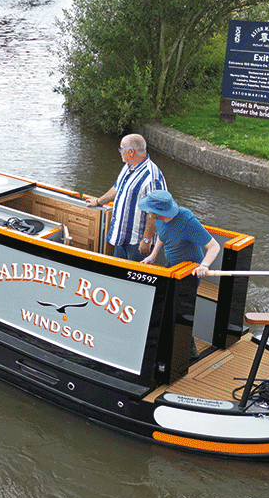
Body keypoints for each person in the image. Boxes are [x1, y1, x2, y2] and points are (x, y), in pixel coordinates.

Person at [138, 190, 221, 359]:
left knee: (179, 311)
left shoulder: (186, 220)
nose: (147, 212)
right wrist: (153, 255)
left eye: (149, 209)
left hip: (188, 272)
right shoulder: (159, 219)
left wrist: (204, 265)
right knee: (165, 306)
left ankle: (190, 350)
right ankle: (169, 344)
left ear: (158, 210)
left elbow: (214, 246)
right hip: (172, 267)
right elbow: (163, 236)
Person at [85, 134, 166, 260]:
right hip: (121, 238)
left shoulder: (152, 177)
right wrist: (99, 201)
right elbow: (117, 189)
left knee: (132, 276)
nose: (119, 152)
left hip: (137, 243)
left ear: (131, 152)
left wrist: (146, 239)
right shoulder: (128, 167)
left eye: (121, 149)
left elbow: (156, 211)